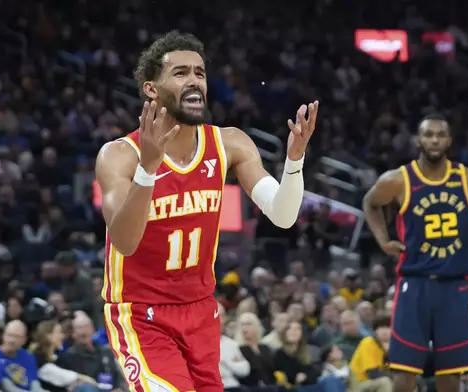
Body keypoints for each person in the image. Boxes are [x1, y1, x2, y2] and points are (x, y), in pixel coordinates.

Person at [95, 30, 318, 392]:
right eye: (181, 73)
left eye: (199, 72)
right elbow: (124, 241)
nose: (195, 80)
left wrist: (294, 161)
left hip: (200, 311)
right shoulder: (119, 155)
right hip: (141, 313)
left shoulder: (229, 142)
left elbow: (282, 215)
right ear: (151, 88)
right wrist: (147, 171)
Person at [362, 114, 468, 392]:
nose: (434, 140)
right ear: (418, 140)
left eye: (440, 135)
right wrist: (383, 240)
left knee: (451, 374)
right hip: (414, 285)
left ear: (449, 140)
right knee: (404, 373)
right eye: (428, 135)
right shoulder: (399, 180)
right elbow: (370, 202)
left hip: (454, 285)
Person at [0, 320, 44, 392]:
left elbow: (34, 384)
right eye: (10, 335)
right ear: (3, 335)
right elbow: (8, 388)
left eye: (17, 337)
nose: (12, 340)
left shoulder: (28, 357)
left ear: (24, 340)